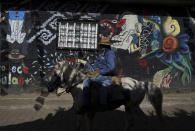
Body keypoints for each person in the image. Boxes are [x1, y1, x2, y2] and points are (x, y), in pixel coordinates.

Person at [78, 38, 116, 114]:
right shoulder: (101, 54)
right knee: (86, 78)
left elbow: (111, 67)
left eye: (100, 45)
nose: (99, 46)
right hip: (99, 74)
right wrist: (88, 68)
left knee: (87, 81)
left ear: (104, 46)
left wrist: (100, 72)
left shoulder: (110, 54)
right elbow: (95, 66)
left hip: (107, 77)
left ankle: (91, 105)